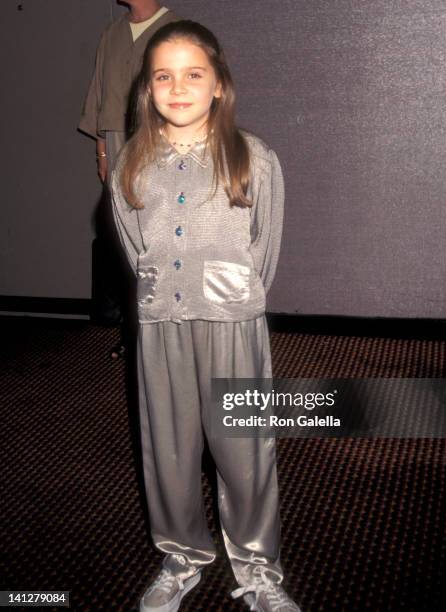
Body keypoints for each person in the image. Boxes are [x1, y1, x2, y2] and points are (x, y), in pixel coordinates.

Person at [111, 20, 300, 612]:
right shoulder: (130, 164)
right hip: (161, 321)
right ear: (148, 89)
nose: (178, 86)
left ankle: (258, 568)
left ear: (219, 84)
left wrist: (233, 299)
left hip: (233, 322)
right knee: (167, 448)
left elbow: (264, 250)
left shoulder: (254, 157)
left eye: (194, 74)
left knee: (245, 447)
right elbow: (131, 245)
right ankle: (182, 555)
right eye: (163, 75)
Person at [79, 1, 179, 357]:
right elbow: (100, 95)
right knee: (124, 241)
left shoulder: (175, 29)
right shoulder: (113, 33)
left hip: (156, 141)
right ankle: (132, 331)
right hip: (118, 142)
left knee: (157, 237)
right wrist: (102, 153)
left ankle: (163, 333)